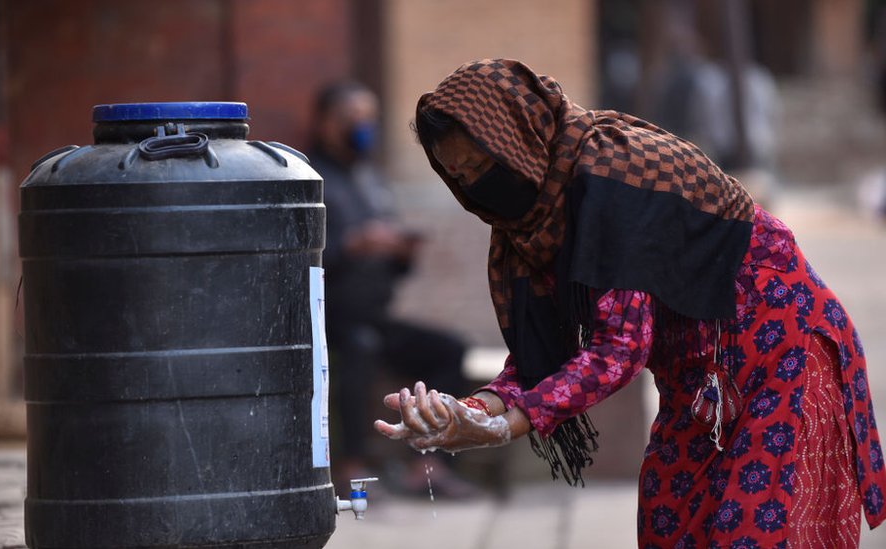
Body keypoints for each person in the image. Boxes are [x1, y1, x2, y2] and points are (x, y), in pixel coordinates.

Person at [374, 59, 886, 546]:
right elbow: (541, 356)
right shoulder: (531, 223)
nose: (475, 187)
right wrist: (470, 411)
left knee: (752, 532)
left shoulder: (612, 175)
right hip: (700, 383)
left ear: (516, 137)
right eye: (460, 177)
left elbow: (619, 347)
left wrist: (506, 426)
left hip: (785, 358)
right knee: (670, 525)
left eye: (481, 165)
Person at [308, 81, 477, 498]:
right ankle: (352, 469)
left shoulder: (370, 176)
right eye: (351, 118)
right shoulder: (311, 179)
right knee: (359, 349)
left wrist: (401, 252)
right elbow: (298, 261)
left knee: (450, 351)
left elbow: (396, 269)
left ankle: (428, 466)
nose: (361, 127)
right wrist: (353, 246)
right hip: (329, 320)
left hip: (375, 315)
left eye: (367, 118)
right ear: (325, 122)